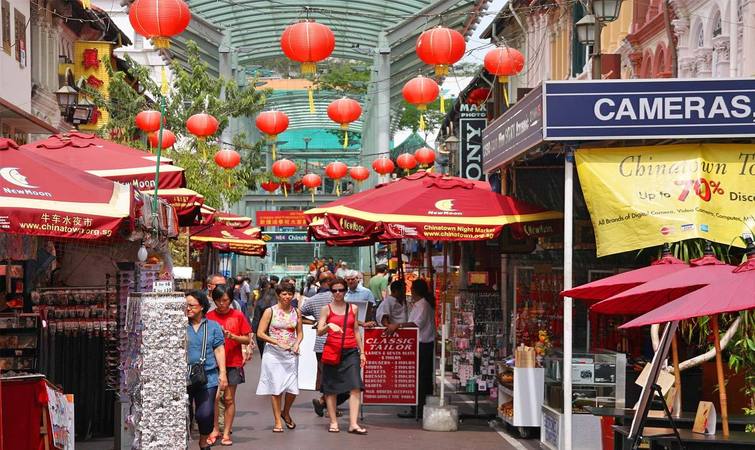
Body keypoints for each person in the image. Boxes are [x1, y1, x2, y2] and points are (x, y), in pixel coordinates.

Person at [316, 278, 368, 435]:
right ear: (330, 292)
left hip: (350, 351)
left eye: (341, 290)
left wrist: (362, 351)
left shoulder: (353, 308)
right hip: (332, 350)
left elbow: (356, 330)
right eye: (334, 290)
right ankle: (333, 421)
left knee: (355, 386)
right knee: (331, 388)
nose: (338, 293)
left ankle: (353, 423)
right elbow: (319, 330)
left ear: (346, 291)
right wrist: (329, 326)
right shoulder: (326, 309)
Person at [206, 286, 252, 446]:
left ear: (231, 300)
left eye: (225, 300)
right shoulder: (209, 316)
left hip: (233, 362)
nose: (221, 304)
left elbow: (247, 339)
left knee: (229, 399)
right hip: (213, 362)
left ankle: (226, 432)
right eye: (218, 300)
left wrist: (232, 336)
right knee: (215, 397)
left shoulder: (238, 315)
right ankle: (215, 429)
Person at [256, 282, 303, 432]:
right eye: (284, 294)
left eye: (290, 294)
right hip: (273, 354)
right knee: (276, 388)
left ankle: (286, 412)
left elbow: (300, 332)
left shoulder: (296, 312)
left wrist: (297, 343)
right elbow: (260, 333)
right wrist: (276, 342)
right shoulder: (270, 311)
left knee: (292, 389)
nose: (287, 297)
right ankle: (277, 421)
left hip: (290, 353)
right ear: (278, 295)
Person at [299, 272, 349, 417]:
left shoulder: (313, 299)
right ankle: (326, 405)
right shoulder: (337, 297)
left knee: (327, 377)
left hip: (321, 343)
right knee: (340, 377)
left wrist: (313, 322)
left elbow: (297, 314)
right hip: (338, 341)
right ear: (330, 281)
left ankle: (324, 403)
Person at [389, 278, 436, 419]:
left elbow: (416, 324)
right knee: (420, 378)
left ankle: (419, 408)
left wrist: (398, 326)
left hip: (423, 345)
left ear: (415, 290)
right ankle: (418, 407)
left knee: (421, 379)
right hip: (419, 344)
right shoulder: (418, 305)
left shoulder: (423, 306)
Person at [186, 291, 227, 450]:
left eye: (191, 305)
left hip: (207, 376)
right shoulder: (179, 324)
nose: (188, 309)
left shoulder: (213, 326)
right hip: (183, 377)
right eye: (185, 306)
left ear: (202, 306)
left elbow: (219, 349)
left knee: (205, 413)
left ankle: (203, 440)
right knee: (183, 415)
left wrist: (222, 373)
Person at [253, 284, 279, 356]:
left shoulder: (260, 303)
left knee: (264, 354)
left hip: (262, 332)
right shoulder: (277, 303)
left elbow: (256, 319)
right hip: (275, 332)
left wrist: (253, 333)